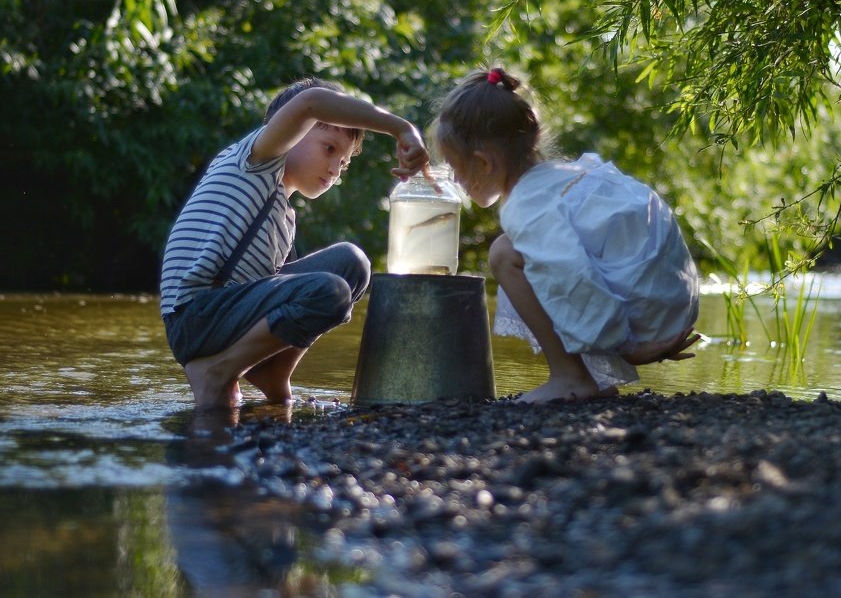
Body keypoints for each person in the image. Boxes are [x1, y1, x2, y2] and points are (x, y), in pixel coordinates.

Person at [431, 67, 701, 403]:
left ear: (483, 164)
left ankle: (571, 378)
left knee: (504, 255)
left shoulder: (526, 206)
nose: (455, 180)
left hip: (649, 320)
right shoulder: (567, 176)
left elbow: (571, 277)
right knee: (530, 255)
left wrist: (629, 348)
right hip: (669, 301)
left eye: (456, 168)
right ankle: (592, 377)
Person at [160, 77, 430, 409]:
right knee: (328, 291)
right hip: (195, 315)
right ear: (289, 132)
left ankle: (272, 375)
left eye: (343, 163)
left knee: (352, 264)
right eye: (329, 149)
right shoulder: (256, 159)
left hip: (228, 314)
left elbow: (279, 303)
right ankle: (218, 372)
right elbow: (312, 102)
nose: (334, 169)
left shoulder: (284, 218)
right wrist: (401, 128)